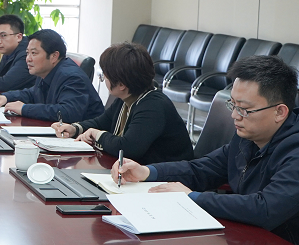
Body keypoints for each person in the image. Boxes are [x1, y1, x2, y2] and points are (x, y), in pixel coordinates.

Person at [113, 55, 299, 245]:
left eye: (244, 109)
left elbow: (265, 209)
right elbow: (202, 169)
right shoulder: (248, 136)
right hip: (252, 242)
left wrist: (192, 197)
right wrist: (147, 172)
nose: (234, 115)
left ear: (280, 112)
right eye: (233, 105)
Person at [52, 42, 193, 164]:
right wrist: (75, 128)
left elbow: (128, 148)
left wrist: (96, 134)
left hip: (169, 178)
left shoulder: (153, 106)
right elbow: (101, 122)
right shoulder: (127, 98)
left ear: (121, 85)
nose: (104, 80)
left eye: (105, 76)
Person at [0, 29, 103, 122]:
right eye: (27, 53)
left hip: (85, 141)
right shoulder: (47, 71)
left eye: (34, 53)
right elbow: (33, 93)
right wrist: (6, 97)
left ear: (54, 56)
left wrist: (24, 109)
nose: (28, 59)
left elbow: (67, 112)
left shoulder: (72, 77)